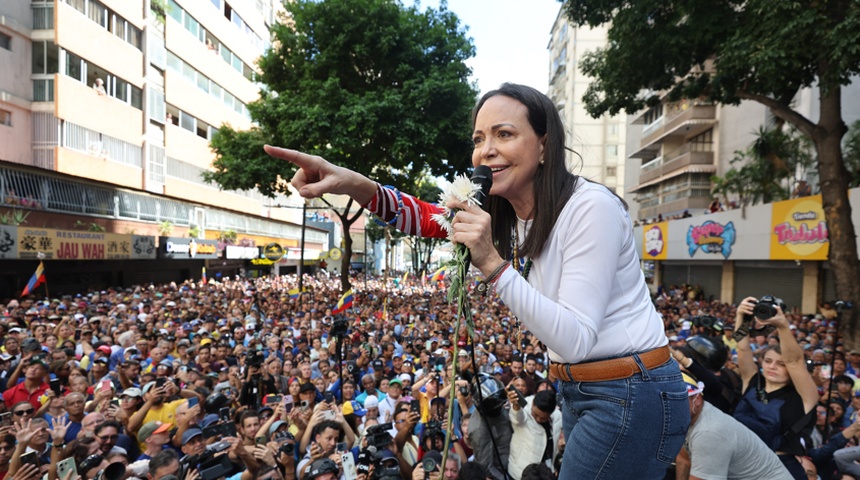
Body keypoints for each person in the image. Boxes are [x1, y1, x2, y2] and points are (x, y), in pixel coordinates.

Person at [264, 82, 689, 478]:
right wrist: (354, 183)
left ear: (544, 144)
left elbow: (577, 338)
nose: (486, 151)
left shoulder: (589, 207)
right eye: (479, 139)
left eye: (504, 134)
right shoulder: (513, 212)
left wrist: (491, 261)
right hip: (585, 390)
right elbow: (428, 217)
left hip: (631, 393)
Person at [732, 297, 818, 479]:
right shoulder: (753, 381)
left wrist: (783, 327)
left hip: (779, 469)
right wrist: (742, 317)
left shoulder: (805, 396)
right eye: (768, 361)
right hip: (740, 462)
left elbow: (794, 361)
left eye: (780, 364)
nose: (771, 367)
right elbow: (742, 348)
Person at [678, 372, 792, 479]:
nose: (668, 407)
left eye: (677, 401)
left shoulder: (708, 431)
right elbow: (684, 460)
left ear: (697, 399)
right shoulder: (685, 419)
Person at [506, 389, 562, 480]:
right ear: (532, 404)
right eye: (535, 415)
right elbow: (517, 416)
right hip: (520, 473)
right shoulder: (523, 410)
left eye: (543, 418)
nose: (539, 419)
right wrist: (516, 406)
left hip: (545, 473)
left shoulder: (557, 417)